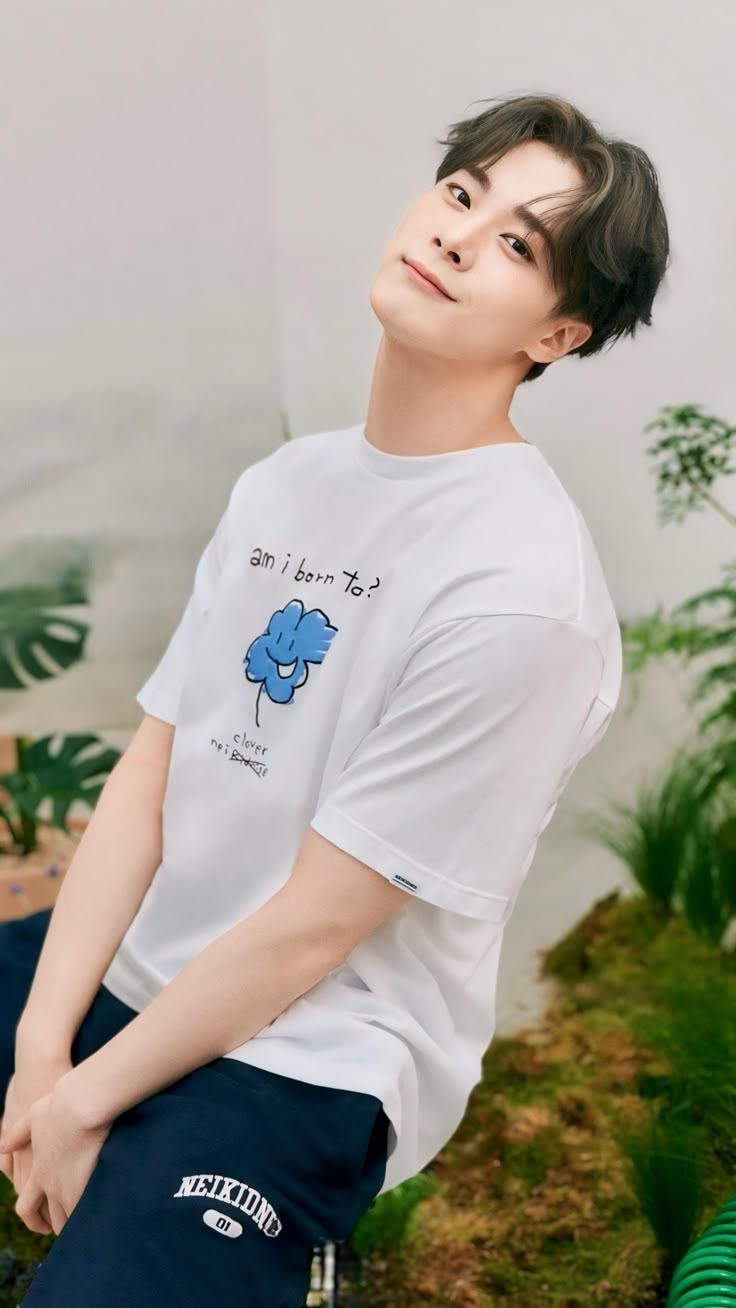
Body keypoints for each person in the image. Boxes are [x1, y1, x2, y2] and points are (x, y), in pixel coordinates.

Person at [0, 91, 669, 1304]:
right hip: (138, 968)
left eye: (518, 242)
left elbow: (319, 922)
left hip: (306, 1053)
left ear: (561, 332)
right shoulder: (286, 483)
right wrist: (43, 1052)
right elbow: (151, 769)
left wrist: (78, 1105)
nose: (460, 234)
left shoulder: (522, 592)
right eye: (462, 194)